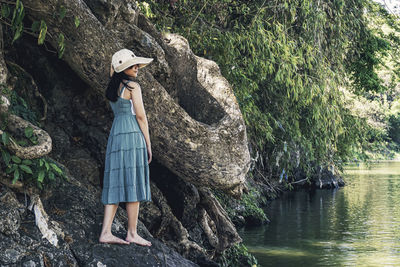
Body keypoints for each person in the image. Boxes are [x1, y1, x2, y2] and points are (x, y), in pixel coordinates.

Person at [99, 48, 153, 246]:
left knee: (114, 180)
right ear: (124, 69)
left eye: (137, 64)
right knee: (133, 181)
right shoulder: (133, 87)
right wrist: (148, 143)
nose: (137, 67)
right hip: (132, 135)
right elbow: (141, 117)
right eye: (132, 65)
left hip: (116, 135)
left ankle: (106, 231)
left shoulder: (114, 88)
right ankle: (132, 232)